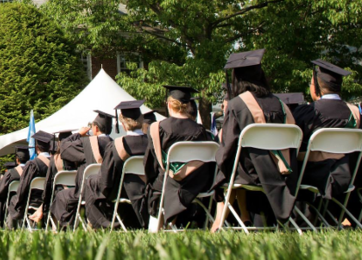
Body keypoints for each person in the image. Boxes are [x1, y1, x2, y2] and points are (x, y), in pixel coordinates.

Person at [212, 49, 299, 231]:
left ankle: (218, 224)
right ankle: (245, 218)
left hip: (250, 173)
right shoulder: (281, 104)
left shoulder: (237, 104)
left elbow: (228, 145)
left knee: (228, 164)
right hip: (282, 172)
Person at [144, 85, 215, 231]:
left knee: (156, 183)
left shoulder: (158, 128)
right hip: (196, 185)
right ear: (188, 105)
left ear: (169, 104)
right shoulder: (200, 130)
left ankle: (163, 225)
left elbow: (150, 162)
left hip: (166, 182)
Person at [294, 60, 359, 201]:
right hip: (348, 172)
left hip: (311, 173)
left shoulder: (309, 111)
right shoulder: (354, 112)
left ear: (316, 86)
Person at [84, 100, 149, 229]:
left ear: (123, 125)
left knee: (90, 181)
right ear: (141, 121)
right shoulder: (152, 142)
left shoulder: (118, 144)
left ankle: (103, 223)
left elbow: (106, 179)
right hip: (149, 188)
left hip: (125, 190)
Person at [48, 111, 114, 229]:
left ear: (96, 128)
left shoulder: (88, 144)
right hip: (112, 190)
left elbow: (64, 147)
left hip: (87, 192)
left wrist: (78, 134)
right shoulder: (115, 144)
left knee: (61, 196)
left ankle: (66, 228)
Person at [7, 131, 54, 229]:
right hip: (51, 199)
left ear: (37, 148)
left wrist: (19, 199)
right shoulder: (55, 162)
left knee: (13, 199)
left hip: (33, 200)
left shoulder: (33, 164)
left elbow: (24, 186)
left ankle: (11, 228)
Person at [0, 147, 29, 227]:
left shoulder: (12, 173)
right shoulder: (32, 170)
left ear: (17, 160)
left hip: (13, 201)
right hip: (30, 200)